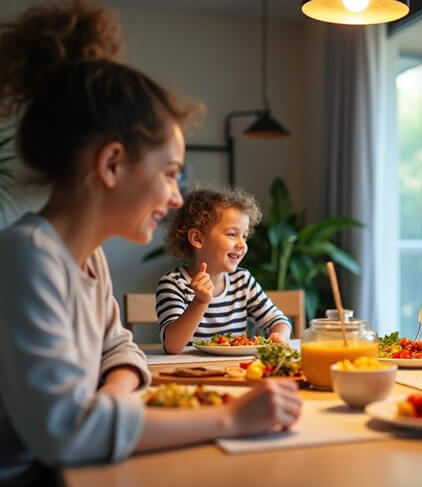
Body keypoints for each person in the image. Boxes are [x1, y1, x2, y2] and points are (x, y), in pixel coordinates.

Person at [0, 2, 300, 483]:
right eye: (168, 174)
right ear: (112, 165)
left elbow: (120, 349)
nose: (176, 197)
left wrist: (112, 395)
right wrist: (230, 419)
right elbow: (64, 433)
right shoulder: (27, 259)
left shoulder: (87, 258)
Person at [156, 187, 292, 353]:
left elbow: (278, 320)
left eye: (244, 236)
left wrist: (280, 336)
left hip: (237, 372)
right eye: (232, 234)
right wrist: (200, 301)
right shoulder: (174, 284)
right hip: (191, 374)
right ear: (197, 238)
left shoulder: (242, 280)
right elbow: (172, 346)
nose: (242, 244)